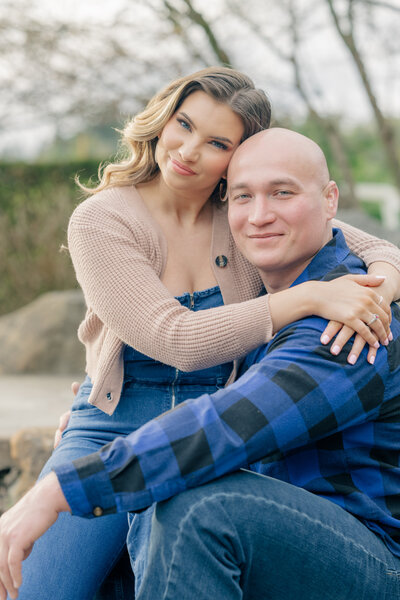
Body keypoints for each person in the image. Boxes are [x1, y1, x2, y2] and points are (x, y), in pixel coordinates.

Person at [0, 72, 399, 600]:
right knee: (41, 588)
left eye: (217, 143)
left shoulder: (240, 213)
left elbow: (372, 248)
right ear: (162, 119)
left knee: (187, 517)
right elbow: (176, 339)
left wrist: (378, 292)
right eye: (183, 124)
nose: (188, 150)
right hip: (115, 427)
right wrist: (306, 298)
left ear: (236, 156)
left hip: (217, 414)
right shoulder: (104, 219)